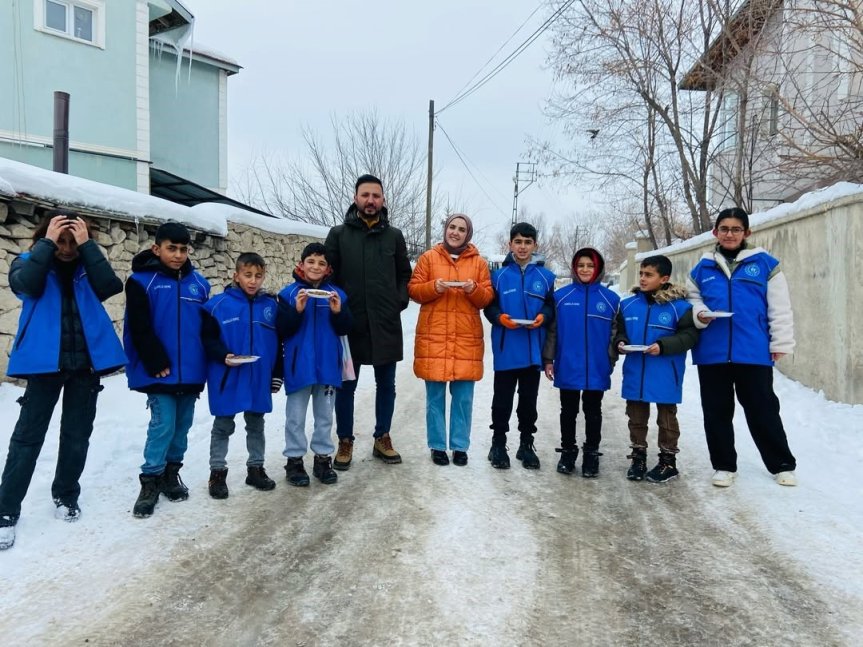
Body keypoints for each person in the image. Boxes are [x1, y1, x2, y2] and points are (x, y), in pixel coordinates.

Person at [0, 210, 125, 551]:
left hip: (85, 366)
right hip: (44, 366)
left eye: (73, 241)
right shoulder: (28, 261)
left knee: (76, 435)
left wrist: (87, 246)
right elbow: (26, 286)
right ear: (47, 238)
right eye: (62, 240)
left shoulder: (88, 266)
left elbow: (110, 287)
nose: (67, 248)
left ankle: (66, 494)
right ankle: (6, 510)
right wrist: (47, 242)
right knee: (27, 439)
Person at [687, 207, 797, 487]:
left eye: (736, 229)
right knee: (716, 410)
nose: (730, 234)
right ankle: (724, 465)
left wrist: (781, 341)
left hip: (754, 350)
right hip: (712, 351)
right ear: (715, 232)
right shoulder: (702, 268)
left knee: (763, 408)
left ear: (747, 233)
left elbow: (780, 307)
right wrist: (699, 313)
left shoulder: (765, 265)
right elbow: (691, 299)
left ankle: (781, 464)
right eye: (724, 229)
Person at [324, 174, 412, 470]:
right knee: (346, 385)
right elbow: (328, 276)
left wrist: (397, 302)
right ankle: (345, 440)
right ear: (355, 198)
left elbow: (404, 275)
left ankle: (382, 437)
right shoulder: (338, 234)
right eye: (365, 195)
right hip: (350, 324)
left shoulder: (394, 236)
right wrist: (339, 309)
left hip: (385, 324)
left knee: (386, 384)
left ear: (383, 200)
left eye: (376, 195)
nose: (371, 200)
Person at [124, 221, 211, 518]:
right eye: (171, 248)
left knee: (182, 426)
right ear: (156, 248)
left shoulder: (199, 285)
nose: (177, 255)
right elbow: (139, 325)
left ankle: (171, 474)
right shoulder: (140, 281)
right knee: (162, 425)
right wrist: (154, 360)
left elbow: (206, 328)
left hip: (191, 370)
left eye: (183, 249)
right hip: (158, 369)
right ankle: (150, 481)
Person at [408, 214, 493, 466]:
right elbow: (413, 290)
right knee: (435, 397)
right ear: (445, 230)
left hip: (466, 339)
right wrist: (434, 287)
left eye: (462, 229)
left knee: (463, 397)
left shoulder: (479, 263)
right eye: (452, 227)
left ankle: (459, 446)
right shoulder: (428, 258)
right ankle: (437, 446)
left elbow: (487, 297)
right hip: (434, 337)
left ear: (468, 234)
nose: (455, 232)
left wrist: (473, 290)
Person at [202, 253, 282, 499]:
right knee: (223, 425)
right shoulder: (216, 305)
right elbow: (207, 339)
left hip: (258, 376)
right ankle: (217, 472)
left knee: (256, 424)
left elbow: (279, 343)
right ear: (235, 275)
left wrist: (276, 373)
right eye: (247, 275)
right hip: (227, 375)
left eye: (258, 276)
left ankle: (255, 468)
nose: (253, 281)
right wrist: (222, 355)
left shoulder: (271, 306)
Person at [614, 255, 698, 483]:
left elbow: (689, 336)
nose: (642, 278)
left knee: (667, 419)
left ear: (664, 278)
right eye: (641, 273)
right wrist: (620, 342)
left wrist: (663, 346)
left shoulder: (679, 308)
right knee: (636, 417)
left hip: (665, 372)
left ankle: (668, 461)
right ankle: (638, 457)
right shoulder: (628, 304)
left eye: (648, 275)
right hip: (636, 371)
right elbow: (619, 331)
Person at [277, 243, 353, 486]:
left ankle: (322, 458)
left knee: (324, 416)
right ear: (301, 264)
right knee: (295, 417)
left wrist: (338, 312)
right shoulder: (288, 294)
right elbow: (282, 329)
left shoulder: (337, 295)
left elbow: (345, 328)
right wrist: (297, 311)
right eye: (311, 261)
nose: (315, 267)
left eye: (321, 263)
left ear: (328, 268)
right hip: (299, 366)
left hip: (328, 366)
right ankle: (295, 460)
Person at [542, 247, 620, 477]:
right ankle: (568, 451)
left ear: (599, 269)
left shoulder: (611, 299)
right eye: (581, 265)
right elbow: (553, 331)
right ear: (574, 268)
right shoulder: (561, 297)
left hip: (597, 366)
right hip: (568, 364)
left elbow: (616, 334)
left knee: (593, 411)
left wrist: (610, 359)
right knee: (568, 411)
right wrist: (548, 359)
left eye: (590, 265)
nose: (585, 269)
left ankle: (591, 454)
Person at [484, 222, 556, 470]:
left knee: (528, 402)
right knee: (502, 401)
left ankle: (526, 444)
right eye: (518, 242)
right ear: (510, 244)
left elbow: (550, 306)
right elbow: (489, 306)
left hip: (532, 350)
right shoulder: (498, 276)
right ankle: (498, 444)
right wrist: (499, 318)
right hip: (506, 347)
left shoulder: (546, 278)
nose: (523, 247)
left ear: (535, 245)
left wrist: (543, 317)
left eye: (528, 242)